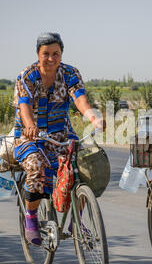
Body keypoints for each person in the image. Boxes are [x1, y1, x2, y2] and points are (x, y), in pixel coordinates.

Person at [13, 32, 104, 246]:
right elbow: (24, 105)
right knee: (35, 167)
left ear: (61, 54)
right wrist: (29, 126)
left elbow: (80, 99)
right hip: (30, 137)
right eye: (46, 54)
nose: (51, 58)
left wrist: (93, 117)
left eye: (56, 53)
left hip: (61, 135)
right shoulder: (26, 76)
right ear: (38, 54)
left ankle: (76, 221)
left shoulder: (70, 73)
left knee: (85, 168)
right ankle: (31, 218)